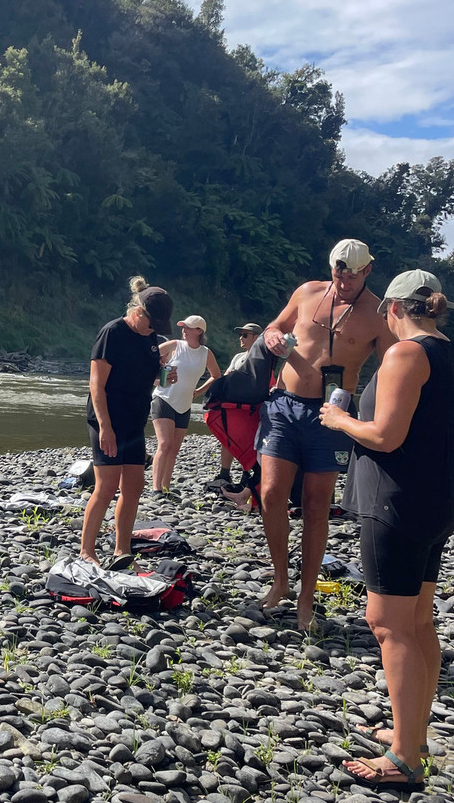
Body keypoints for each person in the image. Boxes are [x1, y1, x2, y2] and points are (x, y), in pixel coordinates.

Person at [319, 269, 453, 792]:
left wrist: (337, 418)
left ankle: (403, 758)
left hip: (395, 502)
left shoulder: (406, 354)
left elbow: (385, 435)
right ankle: (412, 734)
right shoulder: (448, 351)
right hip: (435, 499)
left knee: (388, 625)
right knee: (419, 621)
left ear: (394, 309)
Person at [258, 239, 395, 630]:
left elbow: (391, 368)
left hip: (331, 413)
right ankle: (281, 580)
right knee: (270, 495)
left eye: (353, 275)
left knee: (317, 504)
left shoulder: (378, 313)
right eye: (339, 273)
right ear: (331, 267)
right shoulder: (308, 292)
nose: (345, 281)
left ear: (368, 270)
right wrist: (270, 336)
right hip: (284, 404)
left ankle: (307, 596)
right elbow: (276, 326)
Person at [79, 276, 174, 570]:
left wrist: (163, 378)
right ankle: (87, 551)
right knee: (106, 487)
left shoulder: (149, 340)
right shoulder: (112, 332)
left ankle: (122, 549)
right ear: (138, 311)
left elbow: (143, 376)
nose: (154, 331)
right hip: (107, 418)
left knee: (133, 487)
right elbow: (96, 385)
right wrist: (106, 428)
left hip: (134, 421)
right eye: (152, 324)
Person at [150, 315, 221, 497]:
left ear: (199, 331)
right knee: (165, 444)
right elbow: (149, 355)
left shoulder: (206, 353)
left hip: (184, 405)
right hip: (164, 398)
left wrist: (198, 391)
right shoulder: (175, 345)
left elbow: (216, 375)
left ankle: (166, 487)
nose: (184, 330)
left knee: (174, 449)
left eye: (188, 327)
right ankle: (156, 489)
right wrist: (158, 367)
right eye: (183, 327)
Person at [206, 322, 262, 488]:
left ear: (256, 338)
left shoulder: (262, 358)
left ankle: (248, 473)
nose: (241, 338)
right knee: (227, 438)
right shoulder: (238, 357)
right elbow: (227, 377)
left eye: (245, 335)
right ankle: (225, 472)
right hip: (232, 407)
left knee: (250, 441)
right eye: (240, 334)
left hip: (250, 409)